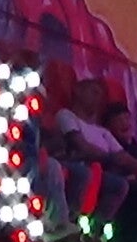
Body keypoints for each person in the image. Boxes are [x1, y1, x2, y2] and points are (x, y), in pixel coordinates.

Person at [52, 79, 130, 224]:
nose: (98, 98)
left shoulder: (102, 131)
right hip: (73, 160)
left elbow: (124, 157)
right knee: (83, 173)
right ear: (78, 91)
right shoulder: (67, 115)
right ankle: (68, 223)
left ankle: (96, 229)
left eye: (100, 95)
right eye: (94, 92)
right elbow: (79, 144)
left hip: (99, 168)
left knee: (121, 185)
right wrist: (110, 158)